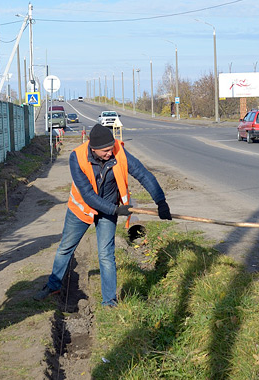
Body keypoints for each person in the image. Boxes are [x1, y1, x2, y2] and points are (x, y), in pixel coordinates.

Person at [35, 123, 171, 307]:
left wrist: (160, 201)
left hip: (108, 210)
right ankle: (53, 285)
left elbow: (143, 174)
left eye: (111, 148)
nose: (110, 153)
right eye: (105, 151)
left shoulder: (118, 152)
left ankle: (109, 300)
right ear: (93, 148)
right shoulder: (77, 157)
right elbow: (88, 195)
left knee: (106, 254)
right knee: (66, 247)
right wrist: (116, 210)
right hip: (81, 209)